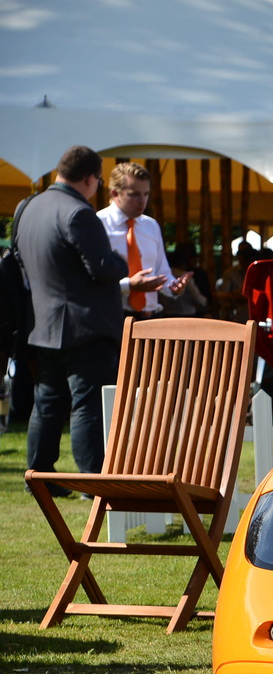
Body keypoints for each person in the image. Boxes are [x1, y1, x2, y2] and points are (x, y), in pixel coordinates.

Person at [15, 146, 130, 484]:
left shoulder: (27, 208)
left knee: (47, 403)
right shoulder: (79, 213)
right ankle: (91, 480)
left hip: (42, 325)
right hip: (84, 326)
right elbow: (103, 266)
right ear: (90, 178)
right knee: (88, 405)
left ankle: (39, 475)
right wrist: (121, 261)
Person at [96, 162, 189, 318]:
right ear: (114, 193)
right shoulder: (98, 224)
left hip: (150, 317)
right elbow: (92, 281)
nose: (142, 201)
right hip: (112, 317)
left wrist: (174, 287)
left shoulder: (150, 225)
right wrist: (129, 285)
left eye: (146, 194)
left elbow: (163, 271)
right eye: (134, 194)